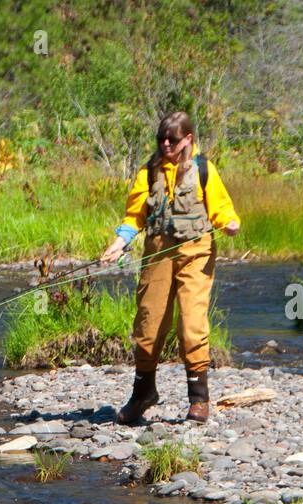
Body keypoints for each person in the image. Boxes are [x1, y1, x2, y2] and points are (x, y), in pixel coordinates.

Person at [99, 111, 240, 424]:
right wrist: (120, 242)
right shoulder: (148, 172)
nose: (165, 144)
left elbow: (221, 208)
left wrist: (229, 223)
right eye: (161, 138)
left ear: (187, 139)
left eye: (172, 139)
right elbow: (134, 215)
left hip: (196, 251)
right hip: (158, 251)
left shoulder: (205, 170)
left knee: (191, 324)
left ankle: (199, 400)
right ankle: (143, 393)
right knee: (148, 326)